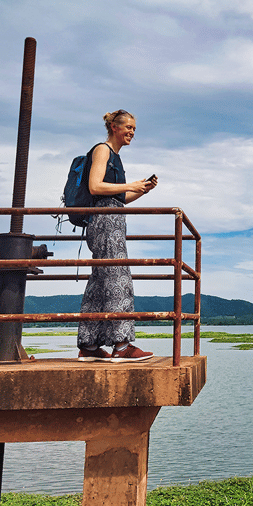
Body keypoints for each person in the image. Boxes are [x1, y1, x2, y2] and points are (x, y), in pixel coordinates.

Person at [77, 109, 158, 362]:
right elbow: (95, 186)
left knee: (100, 282)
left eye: (134, 128)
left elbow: (120, 199)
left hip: (111, 219)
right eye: (129, 127)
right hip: (104, 223)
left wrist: (142, 190)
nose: (132, 132)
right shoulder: (103, 150)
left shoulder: (116, 158)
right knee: (118, 277)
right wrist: (129, 184)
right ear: (114, 127)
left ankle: (89, 346)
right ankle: (122, 346)